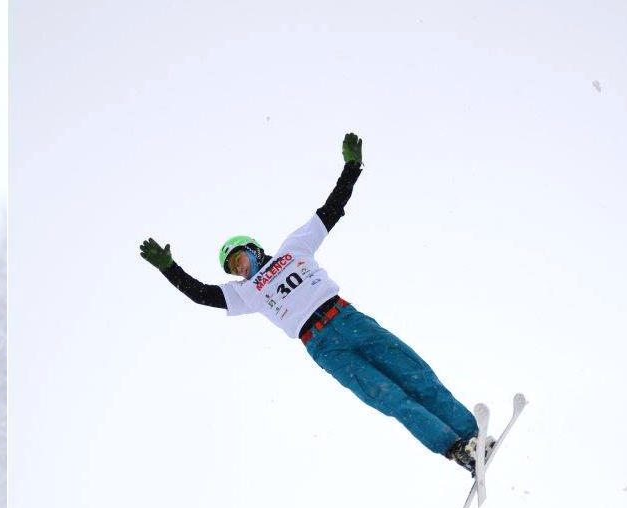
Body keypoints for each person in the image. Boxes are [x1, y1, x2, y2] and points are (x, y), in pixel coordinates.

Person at [140, 133, 487, 473]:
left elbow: (331, 210)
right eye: (233, 268)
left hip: (347, 319)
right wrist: (170, 269)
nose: (240, 269)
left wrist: (352, 167)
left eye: (240, 259)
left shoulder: (294, 248)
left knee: (412, 373)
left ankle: (471, 432)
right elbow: (201, 294)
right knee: (388, 396)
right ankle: (458, 449)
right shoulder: (246, 293)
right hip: (322, 345)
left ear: (253, 248)